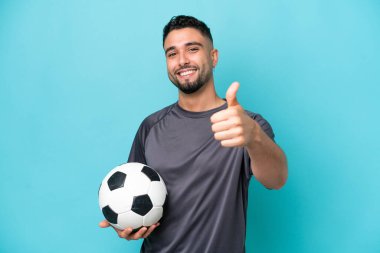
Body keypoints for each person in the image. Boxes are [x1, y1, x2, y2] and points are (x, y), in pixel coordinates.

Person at [99, 15, 288, 253]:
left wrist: (254, 138)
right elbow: (132, 194)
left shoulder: (245, 124)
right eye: (172, 53)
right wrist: (126, 223)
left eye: (193, 49)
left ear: (213, 57)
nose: (182, 61)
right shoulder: (151, 126)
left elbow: (277, 179)